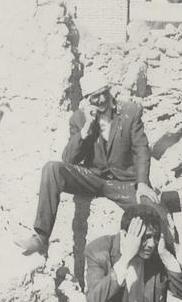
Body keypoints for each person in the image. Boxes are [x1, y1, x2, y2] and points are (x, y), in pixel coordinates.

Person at [15, 69, 163, 256]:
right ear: (87, 100)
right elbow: (69, 159)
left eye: (104, 93)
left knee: (152, 212)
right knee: (52, 168)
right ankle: (41, 237)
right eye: (95, 97)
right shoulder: (79, 119)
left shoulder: (129, 112)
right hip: (93, 178)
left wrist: (142, 184)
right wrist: (85, 130)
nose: (101, 100)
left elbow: (141, 148)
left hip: (124, 183)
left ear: (110, 92)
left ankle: (166, 263)